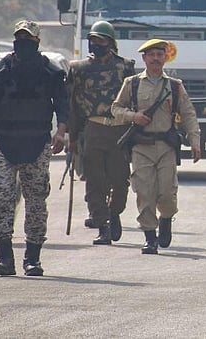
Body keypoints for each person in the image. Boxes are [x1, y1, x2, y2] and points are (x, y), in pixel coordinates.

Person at [0, 20, 68, 277]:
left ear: (37, 42)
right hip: (4, 143)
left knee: (36, 202)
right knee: (1, 199)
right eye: (19, 37)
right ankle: (5, 258)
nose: (22, 42)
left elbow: (62, 104)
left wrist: (61, 132)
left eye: (27, 38)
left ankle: (33, 259)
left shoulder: (50, 72)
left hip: (37, 143)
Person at [111, 39, 201, 255]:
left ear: (165, 58)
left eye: (160, 55)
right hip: (141, 146)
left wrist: (195, 141)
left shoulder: (174, 86)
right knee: (144, 192)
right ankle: (150, 237)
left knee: (167, 194)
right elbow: (116, 109)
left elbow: (188, 114)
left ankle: (166, 218)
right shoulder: (132, 83)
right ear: (144, 58)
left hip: (166, 147)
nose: (155, 59)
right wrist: (134, 116)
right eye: (151, 55)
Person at [66, 21, 136, 246]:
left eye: (101, 40)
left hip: (119, 129)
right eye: (93, 40)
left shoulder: (126, 67)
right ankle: (102, 224)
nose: (96, 44)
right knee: (95, 181)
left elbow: (134, 101)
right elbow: (73, 105)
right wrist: (72, 137)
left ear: (111, 43)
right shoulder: (78, 69)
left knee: (120, 181)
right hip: (93, 129)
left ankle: (114, 214)